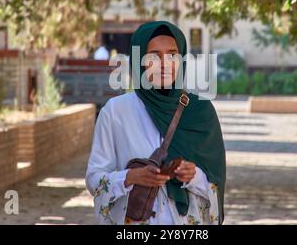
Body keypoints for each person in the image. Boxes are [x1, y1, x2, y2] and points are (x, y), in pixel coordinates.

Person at [85, 21, 226, 225]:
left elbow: (216, 185)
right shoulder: (116, 112)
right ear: (139, 60)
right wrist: (131, 177)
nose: (164, 63)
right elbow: (94, 181)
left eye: (172, 55)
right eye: (153, 56)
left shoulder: (200, 112)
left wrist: (193, 175)